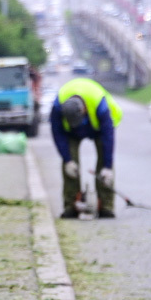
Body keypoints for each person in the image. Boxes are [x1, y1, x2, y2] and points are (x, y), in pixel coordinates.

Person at [50, 77, 121, 219]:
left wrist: (107, 167)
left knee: (104, 164)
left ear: (84, 109)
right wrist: (68, 160)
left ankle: (106, 205)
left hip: (98, 128)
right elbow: (58, 134)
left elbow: (108, 138)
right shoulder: (58, 107)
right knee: (70, 166)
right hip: (71, 134)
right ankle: (70, 205)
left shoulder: (100, 105)